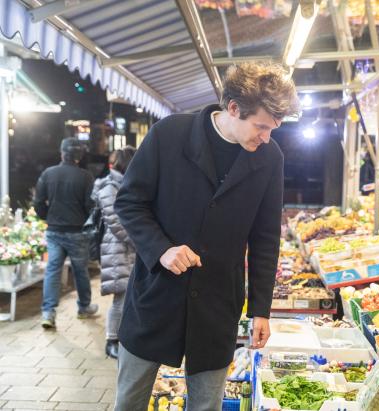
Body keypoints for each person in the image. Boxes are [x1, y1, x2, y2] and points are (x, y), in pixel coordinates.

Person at [113, 62, 300, 410]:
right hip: (156, 295)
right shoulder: (169, 134)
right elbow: (129, 202)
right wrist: (162, 249)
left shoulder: (270, 158)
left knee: (206, 405)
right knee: (129, 401)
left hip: (218, 303)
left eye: (273, 129)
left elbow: (265, 238)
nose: (266, 137)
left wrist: (261, 309)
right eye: (261, 126)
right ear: (233, 109)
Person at [33, 137, 98, 329]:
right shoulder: (86, 176)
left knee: (53, 269)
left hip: (54, 230)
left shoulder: (48, 173)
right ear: (79, 156)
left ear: (62, 153)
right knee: (80, 271)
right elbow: (90, 206)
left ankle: (48, 312)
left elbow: (38, 203)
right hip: (78, 232)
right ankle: (84, 307)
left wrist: (47, 217)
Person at [91, 147, 136, 359]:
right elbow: (117, 222)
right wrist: (144, 241)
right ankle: (111, 340)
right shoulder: (110, 187)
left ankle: (125, 337)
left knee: (129, 295)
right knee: (121, 296)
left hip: (129, 248)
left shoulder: (125, 184)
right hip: (117, 249)